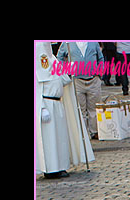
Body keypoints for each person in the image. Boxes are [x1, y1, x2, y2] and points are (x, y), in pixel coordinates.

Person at [36, 41, 95, 178]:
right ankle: (51, 169)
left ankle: (60, 166)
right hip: (47, 103)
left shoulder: (52, 59)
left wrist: (70, 69)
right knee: (50, 139)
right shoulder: (39, 60)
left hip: (57, 103)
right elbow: (38, 86)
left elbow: (62, 79)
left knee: (60, 137)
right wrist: (42, 108)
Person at [56, 41, 104, 139]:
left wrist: (100, 72)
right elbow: (59, 57)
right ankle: (83, 133)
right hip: (77, 80)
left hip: (93, 79)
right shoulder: (67, 43)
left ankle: (94, 131)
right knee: (80, 108)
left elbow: (100, 58)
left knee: (94, 108)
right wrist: (65, 71)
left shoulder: (93, 43)